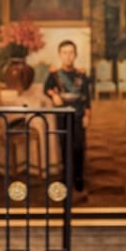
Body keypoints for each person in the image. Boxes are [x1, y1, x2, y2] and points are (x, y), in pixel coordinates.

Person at [43, 40, 91, 191]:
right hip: (62, 115)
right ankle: (66, 176)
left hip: (78, 114)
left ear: (75, 55)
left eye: (71, 53)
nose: (68, 56)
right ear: (60, 55)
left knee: (78, 147)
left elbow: (86, 96)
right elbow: (46, 88)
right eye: (64, 53)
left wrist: (87, 115)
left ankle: (78, 176)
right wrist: (53, 95)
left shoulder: (81, 75)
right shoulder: (55, 74)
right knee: (64, 146)